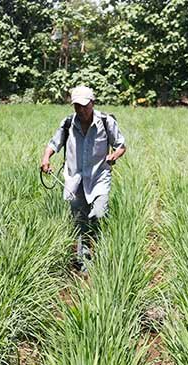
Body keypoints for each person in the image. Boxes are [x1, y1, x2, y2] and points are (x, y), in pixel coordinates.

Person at [40, 85, 127, 271]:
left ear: (92, 103)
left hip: (99, 176)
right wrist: (46, 158)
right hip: (75, 178)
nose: (81, 110)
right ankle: (83, 261)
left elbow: (121, 145)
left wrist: (114, 156)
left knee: (99, 213)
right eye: (77, 106)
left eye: (84, 106)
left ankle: (101, 247)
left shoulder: (106, 121)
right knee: (80, 220)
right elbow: (54, 143)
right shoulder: (68, 123)